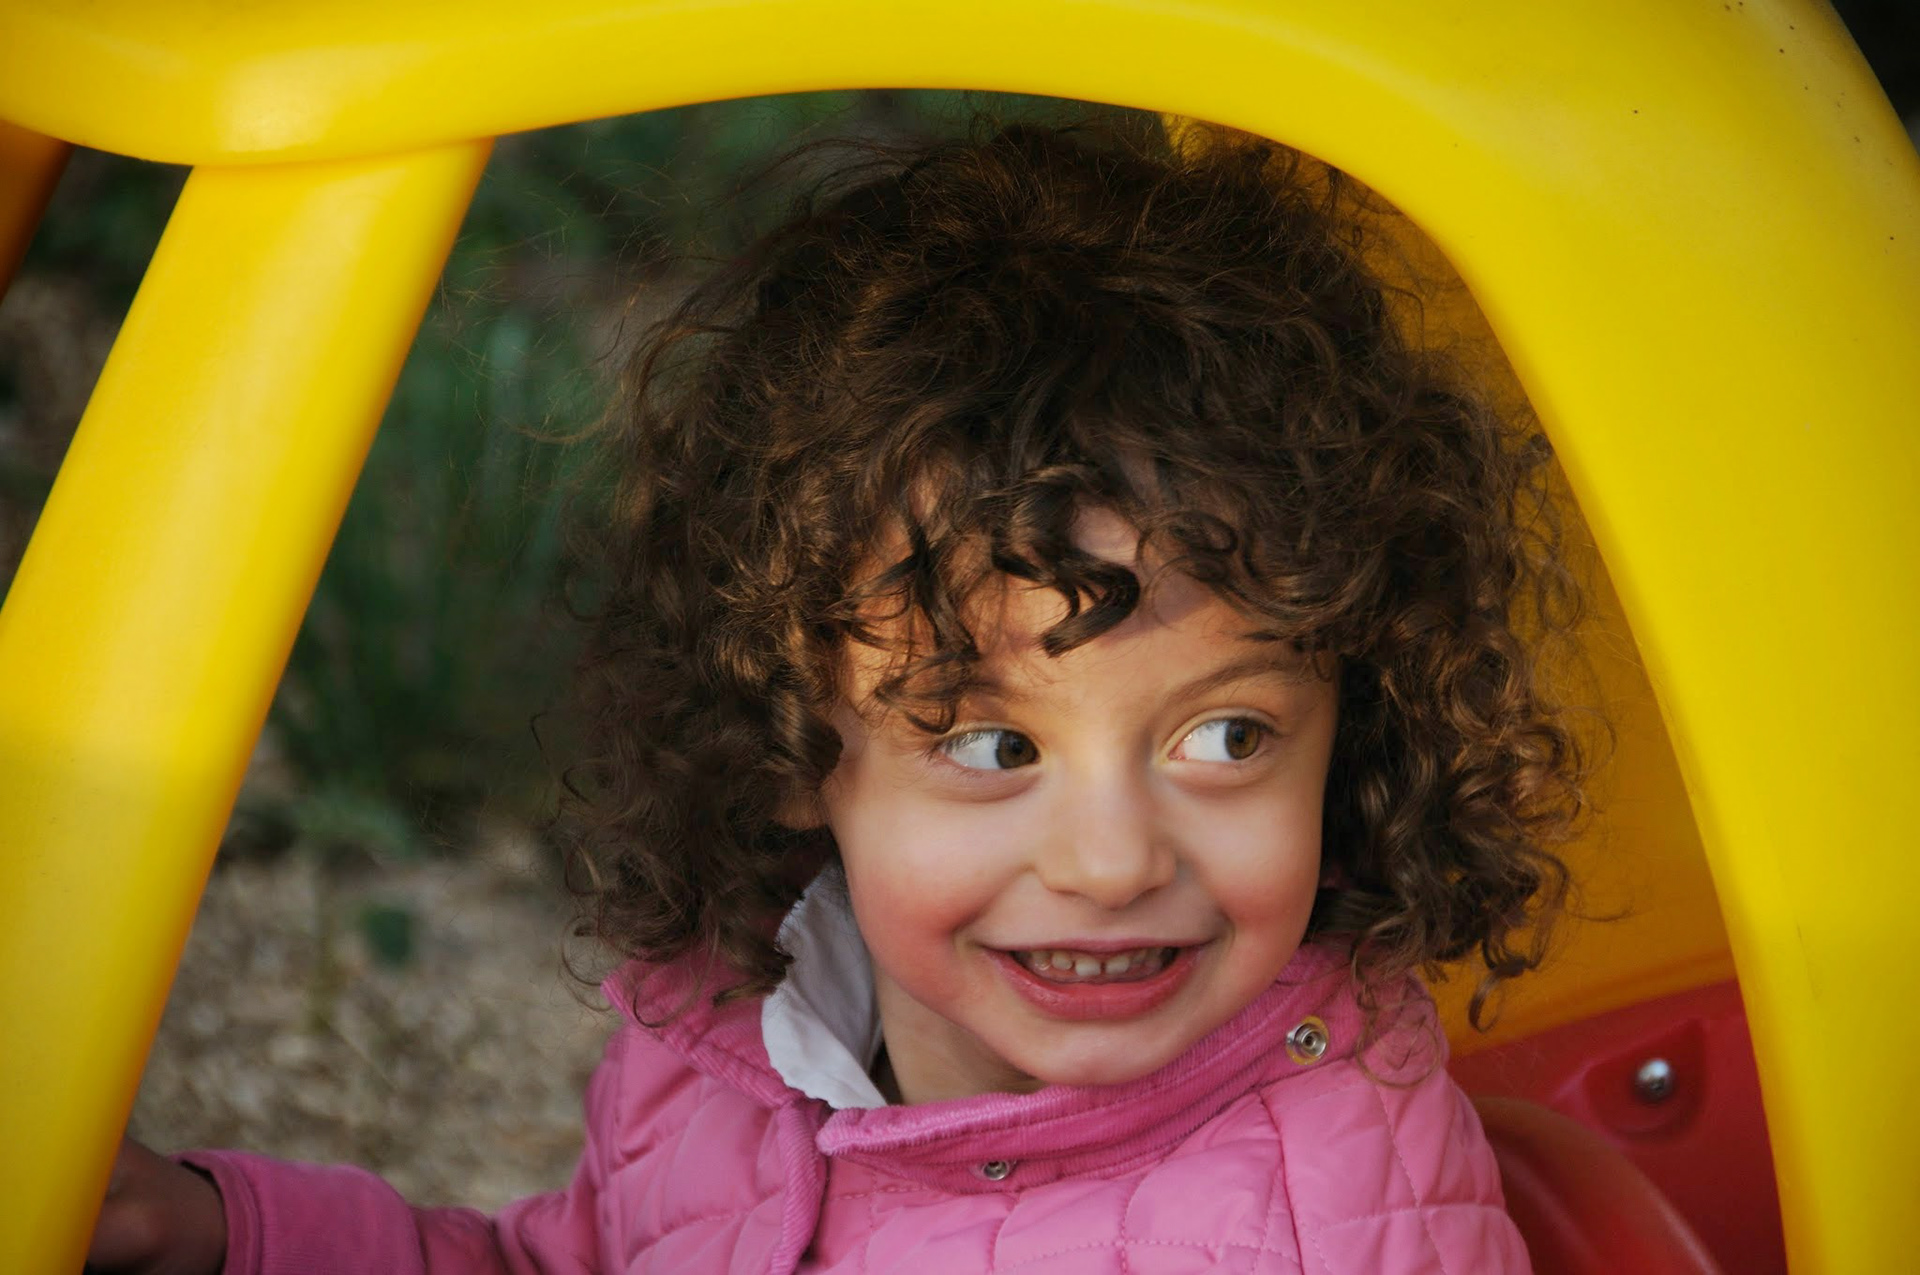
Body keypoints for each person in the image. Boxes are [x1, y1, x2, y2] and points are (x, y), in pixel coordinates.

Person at [88, 119, 1587, 1274]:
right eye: (991, 743)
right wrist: (229, 1238)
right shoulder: (738, 1045)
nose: (1113, 860)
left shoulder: (1321, 1221)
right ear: (797, 739)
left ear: (1352, 726)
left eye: (1226, 736)